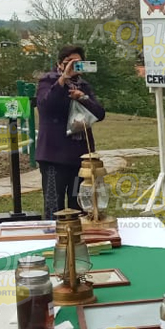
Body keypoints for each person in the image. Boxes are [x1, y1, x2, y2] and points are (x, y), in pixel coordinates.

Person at [35, 45, 107, 219]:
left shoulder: (84, 85)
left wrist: (83, 97)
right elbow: (46, 106)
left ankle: (79, 235)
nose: (73, 66)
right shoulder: (47, 81)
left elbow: (99, 114)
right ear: (59, 63)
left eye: (77, 63)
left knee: (81, 205)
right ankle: (56, 235)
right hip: (53, 156)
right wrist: (63, 79)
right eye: (69, 62)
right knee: (54, 207)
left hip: (79, 156)